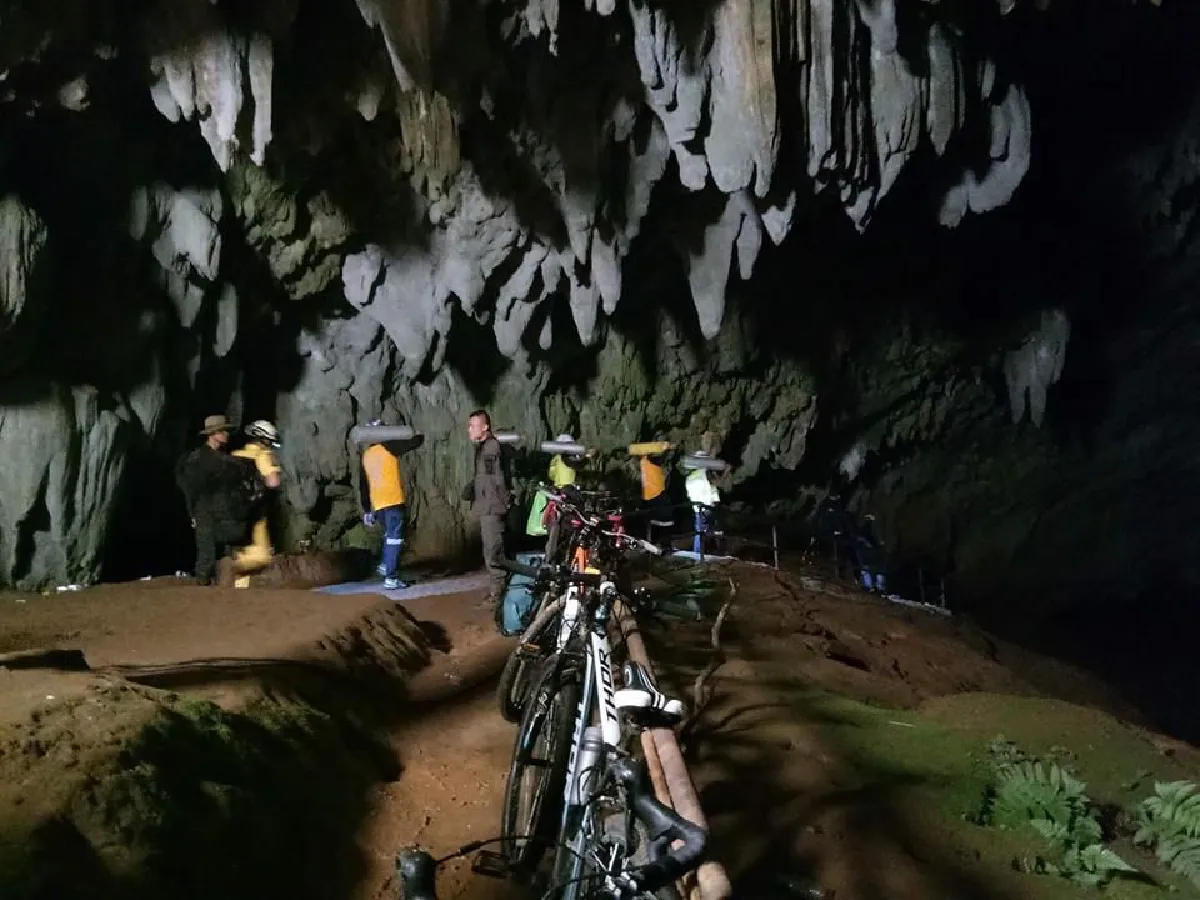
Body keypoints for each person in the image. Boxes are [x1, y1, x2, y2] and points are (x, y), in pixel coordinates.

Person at [175, 415, 251, 586]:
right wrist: (192, 513)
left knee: (229, 546)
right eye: (222, 431)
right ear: (212, 434)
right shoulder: (198, 459)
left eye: (226, 431)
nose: (226, 434)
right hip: (205, 511)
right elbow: (190, 488)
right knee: (206, 558)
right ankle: (200, 592)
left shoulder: (224, 458)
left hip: (224, 511)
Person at [464, 409, 511, 607]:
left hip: (492, 507)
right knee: (490, 550)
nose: (469, 429)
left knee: (493, 552)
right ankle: (498, 592)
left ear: (485, 427)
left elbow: (496, 480)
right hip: (488, 506)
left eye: (473, 426)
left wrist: (503, 501)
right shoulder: (484, 448)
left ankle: (498, 595)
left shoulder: (490, 449)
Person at [358, 419, 410, 590]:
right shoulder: (389, 448)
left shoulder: (366, 455)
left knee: (390, 537)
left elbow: (363, 485)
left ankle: (384, 564)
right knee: (395, 539)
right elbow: (414, 440)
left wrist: (367, 510)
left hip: (379, 505)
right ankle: (391, 577)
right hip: (393, 500)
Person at [229, 420, 283, 588]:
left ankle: (240, 590)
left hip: (234, 511)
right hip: (257, 509)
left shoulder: (234, 455)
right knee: (262, 557)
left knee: (243, 550)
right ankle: (235, 569)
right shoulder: (263, 456)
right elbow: (273, 482)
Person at [684, 451, 721, 555]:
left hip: (697, 508)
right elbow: (718, 483)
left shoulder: (690, 477)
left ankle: (698, 553)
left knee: (699, 531)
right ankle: (715, 551)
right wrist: (726, 471)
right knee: (715, 529)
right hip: (709, 506)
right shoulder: (705, 472)